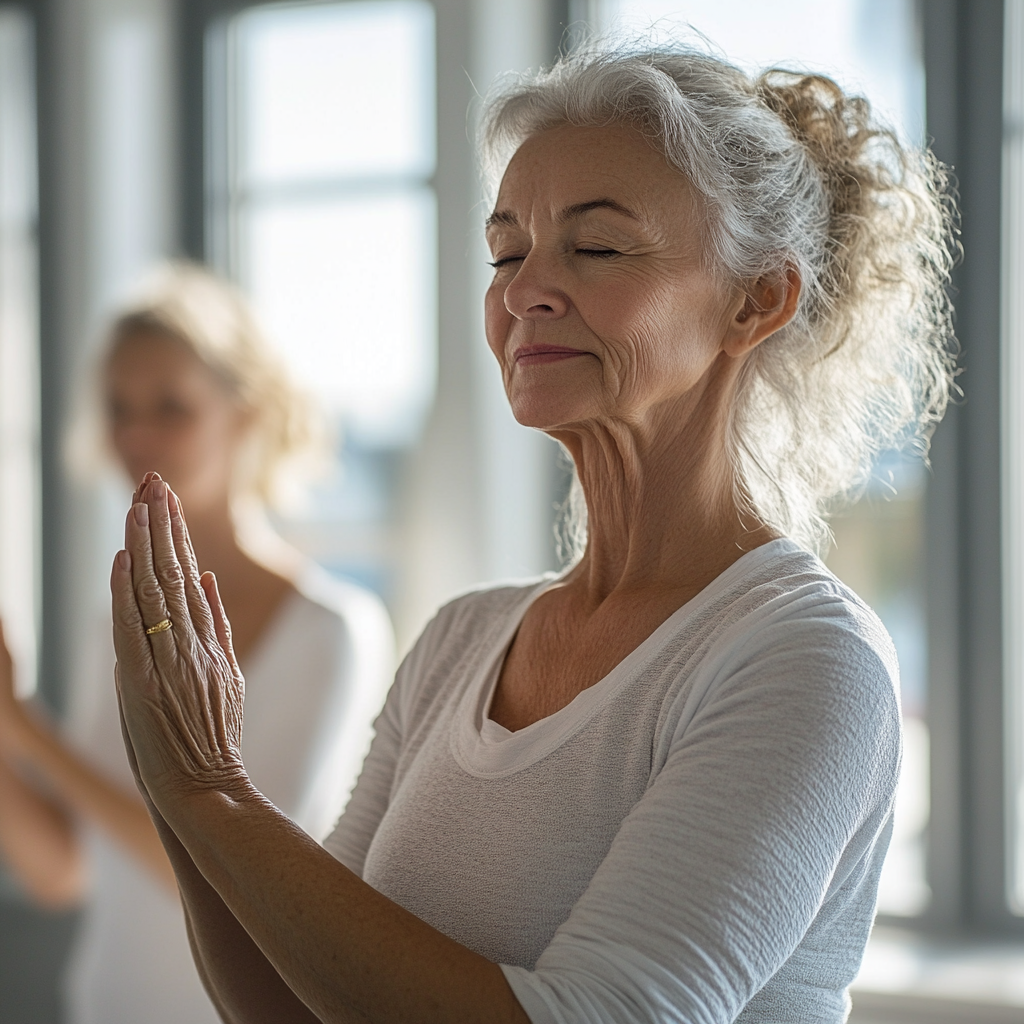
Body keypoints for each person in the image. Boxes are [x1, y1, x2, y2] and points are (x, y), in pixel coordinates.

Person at [109, 43, 956, 1024]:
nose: (523, 292)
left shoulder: (804, 656)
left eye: (595, 248)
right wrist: (176, 782)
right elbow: (293, 1003)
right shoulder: (459, 643)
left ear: (755, 299)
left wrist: (215, 788)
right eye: (506, 253)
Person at [0, 263, 394, 1024]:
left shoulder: (332, 629)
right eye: (118, 407)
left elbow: (230, 873)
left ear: (248, 414)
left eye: (170, 406)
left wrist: (26, 731)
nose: (134, 434)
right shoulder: (112, 621)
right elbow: (64, 872)